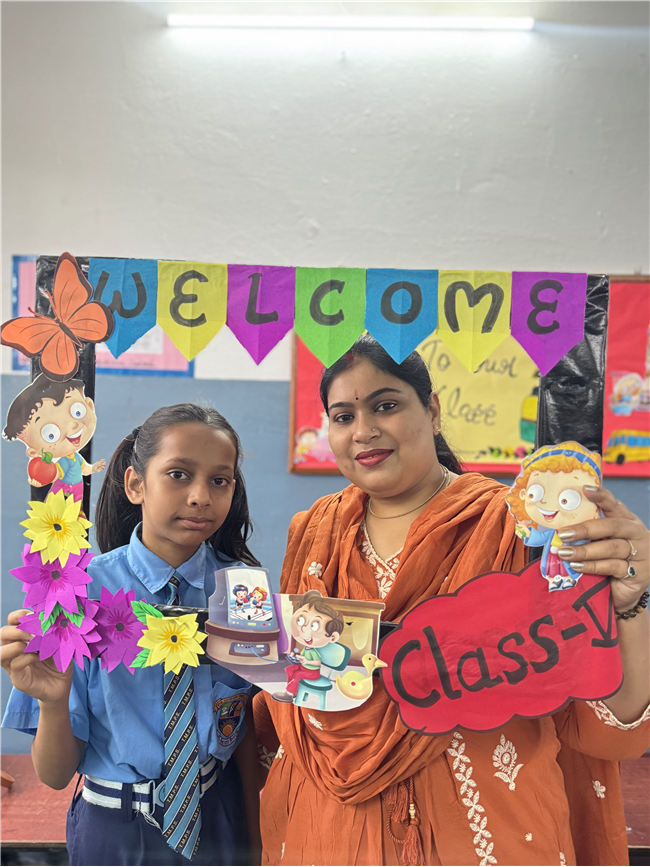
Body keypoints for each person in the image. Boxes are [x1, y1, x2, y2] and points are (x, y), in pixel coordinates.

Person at [253, 335, 650, 867]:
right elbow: (294, 696)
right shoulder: (314, 533)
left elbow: (610, 717)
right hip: (330, 828)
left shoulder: (520, 529)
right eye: (343, 416)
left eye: (386, 406)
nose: (363, 430)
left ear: (433, 411)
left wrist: (631, 602)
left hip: (489, 829)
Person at [1, 403, 262, 866]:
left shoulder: (245, 592)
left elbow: (249, 730)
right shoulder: (73, 593)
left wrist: (258, 838)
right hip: (113, 830)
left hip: (219, 819)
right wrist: (54, 702)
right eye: (179, 474)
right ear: (135, 484)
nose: (200, 496)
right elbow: (55, 776)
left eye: (220, 480)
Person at [3, 373, 106, 499]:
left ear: (89, 405)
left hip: (77, 491)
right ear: (33, 452)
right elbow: (54, 474)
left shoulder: (76, 457)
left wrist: (94, 468)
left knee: (77, 509)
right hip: (63, 491)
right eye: (51, 434)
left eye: (78, 412)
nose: (73, 425)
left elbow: (84, 469)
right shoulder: (64, 461)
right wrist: (40, 480)